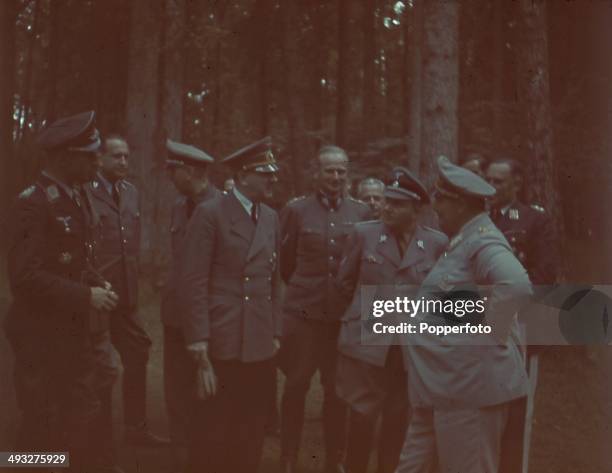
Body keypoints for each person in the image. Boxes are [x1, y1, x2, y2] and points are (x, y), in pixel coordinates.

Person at [397, 156, 532, 473]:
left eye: (441, 200)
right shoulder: (463, 240)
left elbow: (515, 284)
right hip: (440, 389)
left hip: (467, 392)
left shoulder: (482, 240)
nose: (436, 208)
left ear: (460, 204)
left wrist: (487, 336)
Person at [4, 111, 121, 472]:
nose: (96, 163)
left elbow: (68, 261)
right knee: (41, 427)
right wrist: (85, 296)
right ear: (66, 156)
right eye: (90, 156)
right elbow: (24, 277)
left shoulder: (74, 198)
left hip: (71, 333)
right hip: (40, 335)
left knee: (73, 422)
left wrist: (93, 281)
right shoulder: (33, 202)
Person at [178, 137, 281, 473]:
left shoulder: (270, 216)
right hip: (222, 337)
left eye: (273, 173)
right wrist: (198, 340)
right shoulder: (211, 213)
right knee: (213, 429)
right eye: (265, 174)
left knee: (252, 427)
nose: (272, 180)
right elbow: (193, 281)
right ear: (242, 176)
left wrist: (275, 331)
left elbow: (273, 280)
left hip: (259, 340)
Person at [335, 168, 448, 473]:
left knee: (398, 418)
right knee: (361, 416)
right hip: (367, 343)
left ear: (416, 209)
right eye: (387, 201)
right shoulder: (364, 233)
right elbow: (345, 284)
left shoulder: (436, 243)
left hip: (408, 347)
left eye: (397, 204)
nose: (387, 208)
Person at [278, 145, 370, 473]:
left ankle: (335, 460)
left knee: (337, 392)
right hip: (304, 316)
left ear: (349, 174)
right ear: (316, 173)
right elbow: (286, 265)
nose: (336, 177)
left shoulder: (360, 213)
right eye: (329, 170)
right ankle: (288, 457)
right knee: (296, 386)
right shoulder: (296, 211)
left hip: (340, 319)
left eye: (342, 171)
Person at [87, 134, 168, 447]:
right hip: (98, 295)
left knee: (137, 352)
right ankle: (99, 442)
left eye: (126, 156)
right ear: (100, 158)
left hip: (126, 295)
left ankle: (136, 427)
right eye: (115, 156)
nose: (122, 162)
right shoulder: (87, 192)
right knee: (101, 366)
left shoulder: (131, 193)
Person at [486, 158, 557, 473]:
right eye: (488, 179)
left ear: (516, 183)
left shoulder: (534, 220)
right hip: (479, 331)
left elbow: (543, 277)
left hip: (520, 331)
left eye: (499, 181)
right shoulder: (477, 219)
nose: (492, 187)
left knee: (517, 415)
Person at [161, 139, 220, 469]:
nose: (170, 175)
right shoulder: (178, 206)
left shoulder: (222, 208)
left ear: (191, 171)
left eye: (174, 170)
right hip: (175, 315)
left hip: (207, 319)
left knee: (207, 396)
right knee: (176, 394)